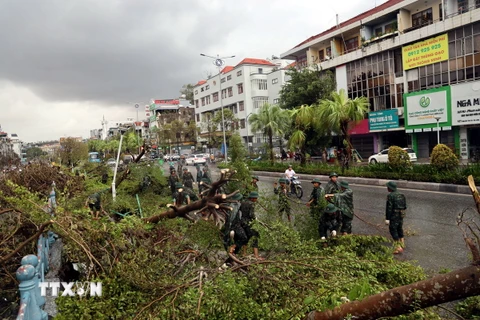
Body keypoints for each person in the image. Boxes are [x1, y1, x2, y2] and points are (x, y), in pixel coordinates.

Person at [385, 181, 407, 254]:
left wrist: (387, 218)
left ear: (390, 188)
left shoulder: (391, 196)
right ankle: (402, 243)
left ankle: (398, 247)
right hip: (401, 214)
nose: (387, 188)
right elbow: (405, 206)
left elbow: (389, 208)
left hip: (394, 215)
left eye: (388, 187)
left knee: (393, 229)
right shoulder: (402, 194)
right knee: (399, 228)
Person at [239, 191, 263, 259]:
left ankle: (244, 253)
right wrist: (255, 219)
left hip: (242, 222)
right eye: (256, 198)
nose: (256, 199)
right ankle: (256, 255)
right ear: (252, 198)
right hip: (249, 223)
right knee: (255, 237)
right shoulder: (251, 204)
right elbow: (251, 215)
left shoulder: (243, 202)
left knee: (245, 237)